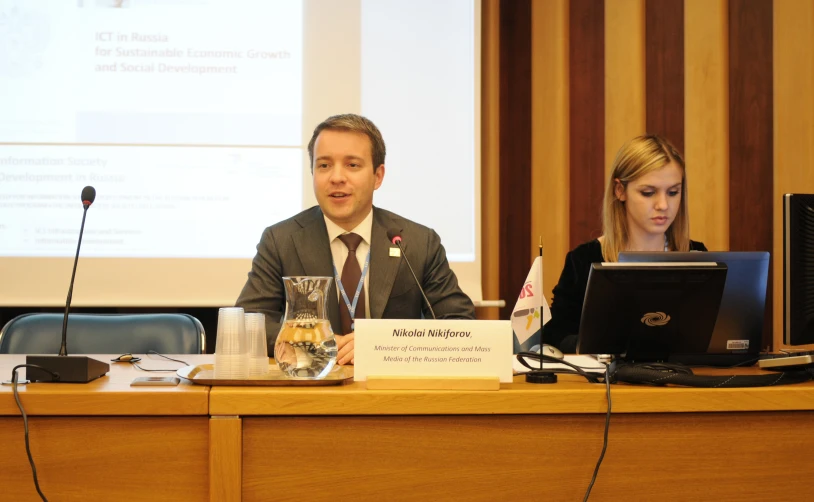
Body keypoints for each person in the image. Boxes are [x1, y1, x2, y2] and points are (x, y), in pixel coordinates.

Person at [236, 114, 475, 364]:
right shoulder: (281, 240)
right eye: (324, 165)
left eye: (352, 165)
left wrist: (382, 344)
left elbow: (459, 324)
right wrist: (313, 341)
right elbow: (248, 322)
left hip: (394, 393)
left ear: (378, 176)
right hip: (312, 390)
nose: (336, 177)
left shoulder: (417, 242)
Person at [544, 134, 707, 352]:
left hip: (682, 380)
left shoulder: (697, 255)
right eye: (648, 193)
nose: (663, 205)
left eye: (673, 192)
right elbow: (556, 333)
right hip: (609, 382)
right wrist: (597, 348)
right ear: (620, 190)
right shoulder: (584, 260)